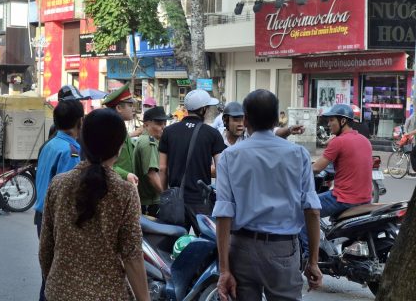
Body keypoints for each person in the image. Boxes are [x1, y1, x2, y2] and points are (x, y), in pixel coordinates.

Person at [214, 90, 322, 301]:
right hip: (283, 249)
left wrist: (224, 270)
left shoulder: (230, 155)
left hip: (242, 249)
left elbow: (224, 214)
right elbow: (312, 211)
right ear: (276, 120)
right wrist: (314, 262)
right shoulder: (298, 154)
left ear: (245, 119)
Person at [39, 108, 150, 301]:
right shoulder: (124, 192)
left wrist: (56, 283)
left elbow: (46, 248)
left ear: (82, 141)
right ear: (119, 147)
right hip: (108, 294)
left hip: (59, 292)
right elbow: (132, 256)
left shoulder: (58, 184)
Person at [300, 104, 373, 258]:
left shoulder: (338, 142)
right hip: (366, 198)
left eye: (331, 120)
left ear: (343, 121)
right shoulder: (364, 140)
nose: (328, 124)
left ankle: (308, 256)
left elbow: (316, 168)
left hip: (344, 198)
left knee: (303, 211)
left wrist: (293, 172)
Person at [34, 99, 84, 301]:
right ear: (80, 122)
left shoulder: (51, 144)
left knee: (49, 274)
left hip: (42, 215)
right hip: (56, 218)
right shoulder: (70, 152)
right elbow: (67, 194)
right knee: (58, 277)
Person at [159, 89, 225, 230]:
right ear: (203, 110)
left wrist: (165, 195)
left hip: (175, 199)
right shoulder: (212, 134)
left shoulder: (169, 132)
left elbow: (163, 168)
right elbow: (221, 169)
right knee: (206, 242)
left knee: (173, 244)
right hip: (200, 200)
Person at [133, 106, 172, 217]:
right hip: (150, 203)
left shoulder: (144, 140)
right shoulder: (149, 143)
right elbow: (151, 174)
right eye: (159, 124)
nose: (163, 127)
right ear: (146, 125)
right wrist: (165, 197)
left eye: (164, 124)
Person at [102, 84, 139, 185]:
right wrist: (125, 175)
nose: (133, 109)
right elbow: (103, 164)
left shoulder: (121, 128)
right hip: (113, 185)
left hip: (125, 185)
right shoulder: (110, 130)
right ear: (119, 108)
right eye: (130, 105)